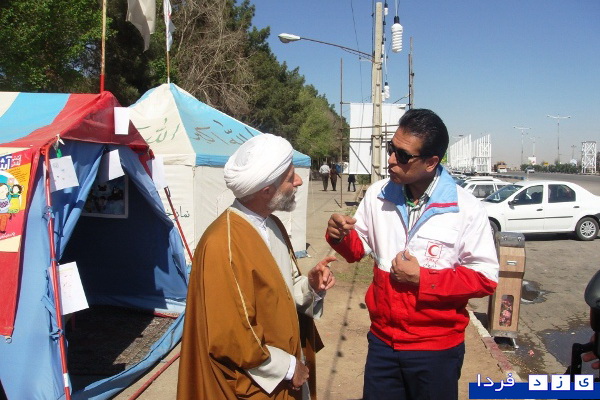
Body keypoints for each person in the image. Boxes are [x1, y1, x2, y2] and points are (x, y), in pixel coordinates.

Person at [325, 109, 499, 400]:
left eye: (403, 155)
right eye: (391, 149)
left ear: (431, 162)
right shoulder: (377, 195)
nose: (391, 160)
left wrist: (424, 279)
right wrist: (339, 235)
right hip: (383, 343)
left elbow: (485, 278)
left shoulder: (466, 209)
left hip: (436, 350)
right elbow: (357, 250)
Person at [178, 134, 336, 400]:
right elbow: (232, 335)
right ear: (266, 191)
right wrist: (288, 368)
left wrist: (310, 287)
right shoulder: (224, 243)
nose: (298, 181)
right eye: (290, 177)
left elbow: (282, 292)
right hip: (254, 383)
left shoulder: (273, 225)